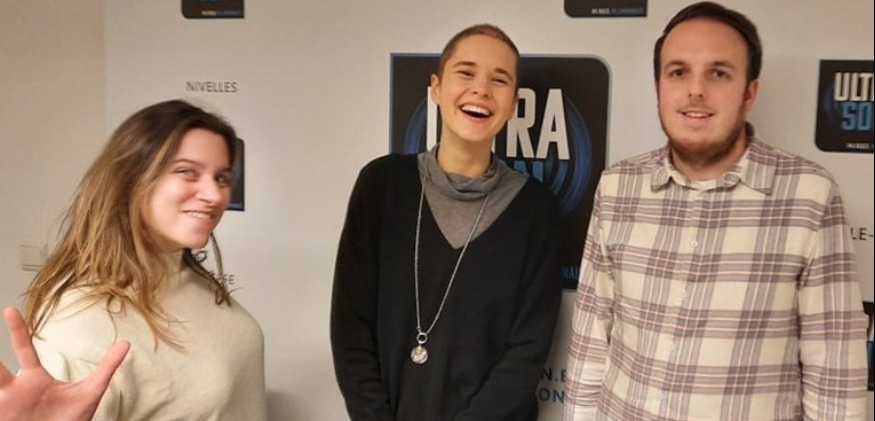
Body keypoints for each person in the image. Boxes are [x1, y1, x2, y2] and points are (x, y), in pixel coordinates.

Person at [564, 2, 868, 420]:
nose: (696, 90)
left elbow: (834, 375)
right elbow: (591, 341)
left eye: (718, 73)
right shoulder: (618, 187)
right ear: (658, 89)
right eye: (678, 72)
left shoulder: (809, 196)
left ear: (749, 93)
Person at [330, 24, 563, 420]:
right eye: (466, 73)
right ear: (436, 88)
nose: (481, 89)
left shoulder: (535, 209)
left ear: (513, 105)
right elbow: (351, 326)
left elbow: (527, 351)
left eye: (499, 80)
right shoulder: (381, 185)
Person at [0, 99, 267, 420]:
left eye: (221, 178)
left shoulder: (185, 278)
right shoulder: (81, 321)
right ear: (131, 179)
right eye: (187, 172)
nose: (215, 195)